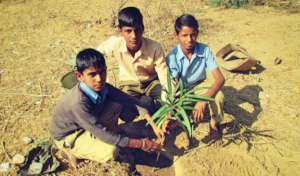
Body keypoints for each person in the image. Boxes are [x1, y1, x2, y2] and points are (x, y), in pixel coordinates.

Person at [50, 49, 171, 173]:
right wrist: (141, 144)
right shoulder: (78, 103)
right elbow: (101, 132)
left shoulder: (103, 87)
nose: (99, 79)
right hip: (71, 135)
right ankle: (71, 150)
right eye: (92, 74)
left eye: (102, 72)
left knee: (118, 104)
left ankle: (118, 141)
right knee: (111, 151)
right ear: (79, 76)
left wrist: (153, 124)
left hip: (86, 122)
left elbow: (130, 101)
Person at [97, 7, 168, 113]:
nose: (134, 36)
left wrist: (167, 101)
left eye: (137, 30)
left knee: (165, 103)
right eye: (128, 31)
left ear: (143, 29)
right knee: (125, 113)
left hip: (151, 83)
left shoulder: (154, 47)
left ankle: (146, 103)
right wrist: (103, 78)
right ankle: (145, 103)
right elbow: (94, 55)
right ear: (120, 30)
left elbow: (164, 75)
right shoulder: (115, 43)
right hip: (129, 85)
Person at [166, 14, 225, 142]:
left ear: (197, 33)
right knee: (173, 118)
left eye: (193, 34)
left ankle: (214, 124)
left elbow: (220, 79)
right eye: (184, 35)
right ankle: (185, 118)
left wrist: (203, 100)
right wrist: (174, 108)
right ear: (176, 36)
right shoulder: (172, 57)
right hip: (182, 92)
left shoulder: (204, 50)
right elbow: (174, 85)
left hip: (199, 86)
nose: (189, 39)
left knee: (218, 95)